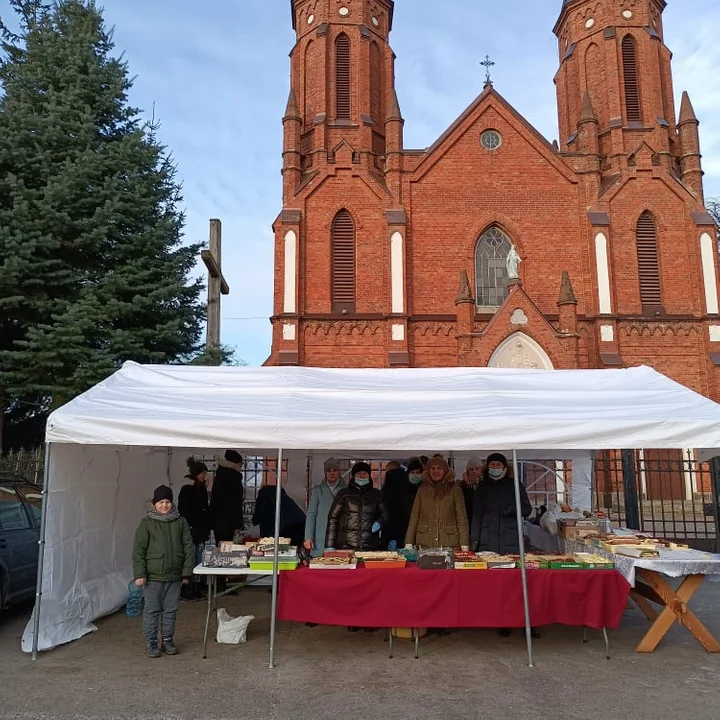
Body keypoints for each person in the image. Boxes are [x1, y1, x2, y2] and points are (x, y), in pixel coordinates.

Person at [470, 452, 535, 638]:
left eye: (498, 465)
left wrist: (513, 509)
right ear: (487, 467)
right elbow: (477, 514)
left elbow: (527, 509)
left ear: (505, 468)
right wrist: (474, 541)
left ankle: (524, 622)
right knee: (494, 585)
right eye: (492, 465)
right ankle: (502, 621)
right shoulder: (483, 487)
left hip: (511, 540)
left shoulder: (515, 485)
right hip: (488, 539)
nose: (495, 468)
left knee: (515, 584)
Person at [132, 485, 194, 658]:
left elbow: (188, 547)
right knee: (152, 610)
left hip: (174, 576)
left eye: (167, 502)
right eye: (160, 502)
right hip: (153, 576)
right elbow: (138, 550)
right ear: (154, 504)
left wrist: (186, 572)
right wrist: (140, 574)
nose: (164, 505)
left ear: (172, 503)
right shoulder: (146, 524)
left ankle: (167, 640)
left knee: (170, 610)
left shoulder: (180, 522)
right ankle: (151, 642)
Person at [405, 455, 469, 549]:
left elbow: (461, 518)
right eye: (433, 468)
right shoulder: (422, 489)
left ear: (445, 471)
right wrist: (409, 542)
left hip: (449, 543)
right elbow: (414, 516)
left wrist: (464, 544)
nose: (436, 471)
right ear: (428, 471)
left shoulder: (455, 489)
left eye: (439, 468)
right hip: (425, 543)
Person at [325, 461, 389, 551]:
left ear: (369, 476)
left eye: (365, 473)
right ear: (354, 476)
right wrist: (329, 545)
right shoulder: (343, 494)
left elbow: (386, 516)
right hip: (345, 545)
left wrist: (380, 523)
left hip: (370, 546)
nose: (362, 476)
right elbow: (333, 518)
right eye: (359, 473)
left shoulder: (377, 494)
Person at [178, 457, 210, 599]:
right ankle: (187, 588)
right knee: (190, 558)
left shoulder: (199, 487)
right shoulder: (188, 489)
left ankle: (195, 586)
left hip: (199, 529)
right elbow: (184, 510)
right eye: (203, 474)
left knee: (197, 558)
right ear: (197, 474)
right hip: (192, 529)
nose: (205, 476)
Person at [304, 458, 346, 557]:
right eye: (329, 470)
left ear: (339, 472)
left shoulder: (346, 491)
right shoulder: (317, 491)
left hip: (340, 535)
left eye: (335, 470)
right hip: (320, 536)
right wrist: (308, 537)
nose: (332, 473)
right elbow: (311, 514)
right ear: (325, 472)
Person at [252, 473, 306, 546]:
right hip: (301, 526)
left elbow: (262, 518)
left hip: (287, 528)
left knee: (283, 550)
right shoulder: (283, 497)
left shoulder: (266, 498)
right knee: (291, 550)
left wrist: (264, 541)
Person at [381, 458, 423, 550]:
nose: (415, 475)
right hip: (404, 534)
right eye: (412, 472)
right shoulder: (401, 491)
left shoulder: (425, 490)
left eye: (418, 472)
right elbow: (395, 516)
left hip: (419, 534)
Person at [210, 450, 245, 543]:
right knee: (228, 550)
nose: (241, 467)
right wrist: (237, 524)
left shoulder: (220, 475)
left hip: (218, 521)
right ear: (235, 464)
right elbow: (235, 503)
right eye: (240, 464)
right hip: (229, 522)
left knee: (221, 548)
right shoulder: (234, 477)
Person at [460, 456, 484, 529]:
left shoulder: (485, 485)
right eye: (471, 469)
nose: (474, 471)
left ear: (481, 470)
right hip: (468, 522)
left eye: (477, 469)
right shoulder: (462, 486)